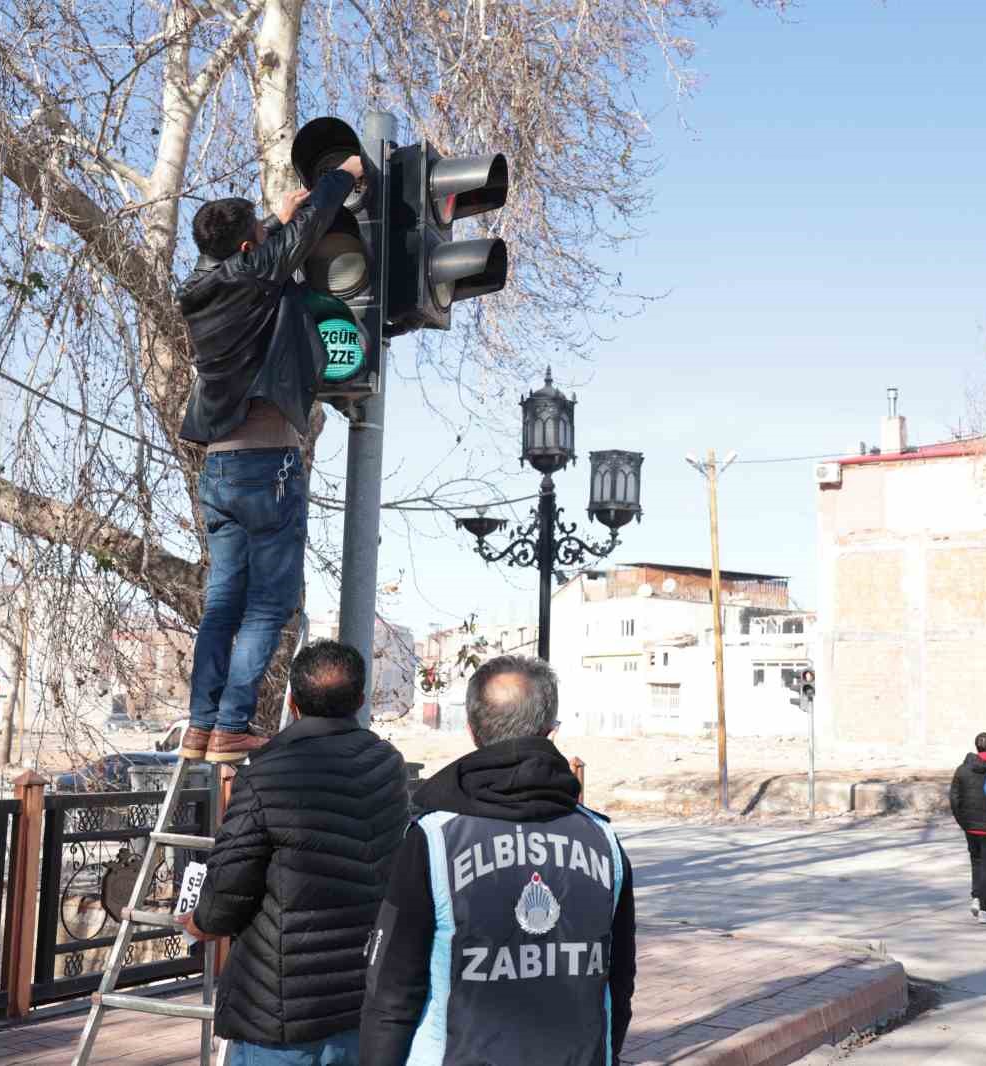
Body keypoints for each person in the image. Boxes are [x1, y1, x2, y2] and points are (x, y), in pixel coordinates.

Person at [175, 154, 365, 763]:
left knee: (223, 601)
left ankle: (201, 726)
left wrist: (271, 226)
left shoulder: (202, 289)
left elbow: (261, 260)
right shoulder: (252, 275)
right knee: (269, 603)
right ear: (247, 242)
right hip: (267, 466)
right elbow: (300, 239)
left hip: (221, 468)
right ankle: (232, 724)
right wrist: (342, 176)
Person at [359, 656, 637, 1066]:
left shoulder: (434, 840)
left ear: (472, 730)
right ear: (550, 732)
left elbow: (390, 992)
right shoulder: (603, 841)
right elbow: (620, 984)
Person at [182, 640, 408, 1066]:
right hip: (362, 1000)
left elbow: (230, 882)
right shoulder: (388, 766)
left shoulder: (267, 772)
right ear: (360, 701)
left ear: (292, 701)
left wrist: (201, 921)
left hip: (280, 1013)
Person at [949, 731, 986, 924]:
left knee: (977, 862)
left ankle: (977, 898)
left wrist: (963, 821)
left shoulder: (963, 769)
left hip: (970, 826)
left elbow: (954, 799)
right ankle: (984, 911)